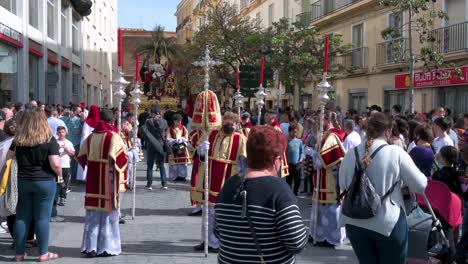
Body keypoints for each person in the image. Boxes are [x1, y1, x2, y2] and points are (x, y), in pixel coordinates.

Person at [339, 112, 427, 264]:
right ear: (387, 131)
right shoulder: (395, 152)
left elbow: (343, 184)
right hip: (387, 223)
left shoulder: (350, 154)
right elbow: (420, 185)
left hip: (354, 222)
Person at [214, 126, 307, 263]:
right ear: (276, 161)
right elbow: (296, 242)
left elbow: (218, 231)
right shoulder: (279, 189)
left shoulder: (228, 185)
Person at [7, 110, 62, 262]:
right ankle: (43, 253)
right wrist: (60, 176)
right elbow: (55, 163)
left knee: (22, 216)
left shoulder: (18, 139)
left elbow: (8, 157)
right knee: (42, 218)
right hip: (44, 181)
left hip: (23, 181)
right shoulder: (49, 139)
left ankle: (19, 254)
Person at [192, 111, 247, 252]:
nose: (229, 125)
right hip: (210, 179)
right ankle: (205, 240)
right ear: (222, 122)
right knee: (207, 211)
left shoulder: (240, 139)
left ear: (236, 125)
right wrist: (202, 151)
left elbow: (244, 161)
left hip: (228, 180)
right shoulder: (211, 134)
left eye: (232, 123)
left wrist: (242, 179)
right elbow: (200, 154)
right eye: (226, 122)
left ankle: (217, 242)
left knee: (220, 213)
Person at [77, 108, 128, 258]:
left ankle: (91, 247)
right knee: (107, 214)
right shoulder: (113, 137)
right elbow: (120, 159)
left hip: (93, 179)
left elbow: (81, 157)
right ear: (112, 121)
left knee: (93, 214)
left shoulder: (91, 138)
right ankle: (106, 247)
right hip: (108, 180)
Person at [307, 111, 347, 248]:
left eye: (320, 120)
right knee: (320, 208)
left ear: (327, 120)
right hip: (322, 177)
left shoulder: (332, 136)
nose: (317, 122)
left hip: (330, 179)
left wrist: (311, 153)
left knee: (329, 210)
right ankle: (318, 235)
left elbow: (323, 160)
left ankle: (330, 238)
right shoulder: (324, 135)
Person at [140, 107, 169, 190]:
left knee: (150, 165)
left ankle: (149, 184)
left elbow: (143, 131)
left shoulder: (149, 121)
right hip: (160, 144)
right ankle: (164, 184)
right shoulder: (164, 121)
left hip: (151, 144)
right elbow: (166, 131)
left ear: (153, 114)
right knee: (161, 165)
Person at [166, 114, 192, 182]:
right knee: (174, 164)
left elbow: (187, 137)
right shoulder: (170, 129)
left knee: (182, 163)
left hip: (182, 147)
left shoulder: (183, 128)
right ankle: (174, 176)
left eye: (180, 121)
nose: (179, 122)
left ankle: (182, 176)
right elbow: (167, 138)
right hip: (174, 147)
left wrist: (182, 139)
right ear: (174, 121)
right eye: (178, 121)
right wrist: (174, 140)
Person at [264, 110, 289, 177]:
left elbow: (281, 144)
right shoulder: (266, 126)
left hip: (274, 158)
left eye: (267, 115)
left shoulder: (276, 129)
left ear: (272, 117)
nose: (265, 117)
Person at [56, 126, 75, 206]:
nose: (61, 134)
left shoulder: (69, 142)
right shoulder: (55, 142)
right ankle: (56, 197)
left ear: (65, 133)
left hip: (65, 166)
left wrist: (67, 150)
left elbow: (73, 153)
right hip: (57, 166)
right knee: (59, 182)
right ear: (57, 133)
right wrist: (57, 149)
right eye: (59, 132)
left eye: (63, 132)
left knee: (65, 183)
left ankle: (63, 197)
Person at [68, 106, 84, 182]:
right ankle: (74, 178)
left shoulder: (68, 119)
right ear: (75, 112)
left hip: (69, 141)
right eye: (79, 111)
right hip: (75, 142)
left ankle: (71, 178)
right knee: (75, 161)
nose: (81, 113)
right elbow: (77, 131)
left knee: (71, 161)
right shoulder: (77, 120)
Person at [286, 125, 304, 196]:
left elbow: (301, 152)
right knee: (289, 180)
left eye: (296, 132)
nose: (295, 134)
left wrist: (301, 159)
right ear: (289, 132)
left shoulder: (299, 141)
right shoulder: (287, 141)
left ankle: (295, 192)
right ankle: (289, 193)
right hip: (289, 164)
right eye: (293, 132)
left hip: (297, 163)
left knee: (297, 179)